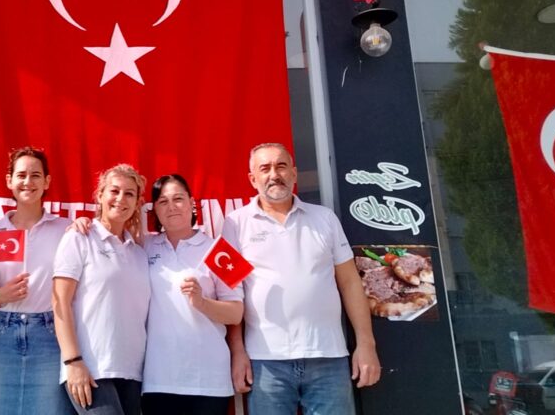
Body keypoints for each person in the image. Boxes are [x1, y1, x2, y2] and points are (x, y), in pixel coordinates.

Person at [225, 143, 381, 415]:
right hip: (265, 361)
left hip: (328, 358)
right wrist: (237, 352)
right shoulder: (234, 224)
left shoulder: (325, 218)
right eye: (265, 168)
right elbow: (231, 293)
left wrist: (366, 344)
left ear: (294, 173)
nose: (274, 174)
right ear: (252, 179)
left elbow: (350, 283)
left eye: (281, 166)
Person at [0, 147, 74, 415]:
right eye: (21, 175)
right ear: (9, 181)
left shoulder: (66, 230)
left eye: (35, 175)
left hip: (50, 335)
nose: (28, 182)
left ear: (47, 182)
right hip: (0, 334)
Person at [141, 174, 243, 415]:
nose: (171, 206)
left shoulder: (221, 249)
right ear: (155, 209)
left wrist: (202, 302)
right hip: (158, 380)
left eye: (178, 198)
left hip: (208, 381)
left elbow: (236, 313)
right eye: (163, 201)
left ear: (192, 203)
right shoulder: (143, 246)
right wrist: (82, 225)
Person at [53, 163, 151, 415]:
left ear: (137, 203)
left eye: (129, 194)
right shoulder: (79, 238)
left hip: (133, 372)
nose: (121, 199)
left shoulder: (139, 253)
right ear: (99, 195)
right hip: (91, 369)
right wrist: (73, 361)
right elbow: (60, 301)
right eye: (114, 191)